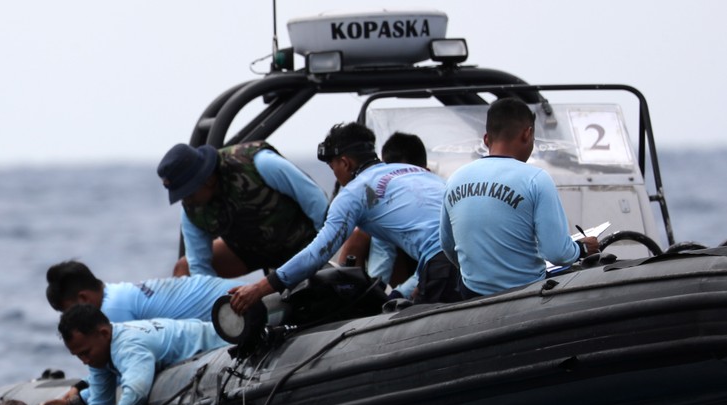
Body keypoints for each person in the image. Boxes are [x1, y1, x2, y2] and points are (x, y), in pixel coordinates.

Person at [229, 122, 458, 314]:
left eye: (332, 167)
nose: (335, 174)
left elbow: (316, 254)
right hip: (479, 251)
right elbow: (432, 236)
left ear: (345, 162)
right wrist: (400, 293)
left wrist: (259, 289)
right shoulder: (414, 172)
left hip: (444, 262)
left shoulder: (355, 192)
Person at [439, 97, 600, 298]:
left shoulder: (454, 179)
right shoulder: (536, 179)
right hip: (525, 298)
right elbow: (557, 253)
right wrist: (583, 248)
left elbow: (447, 244)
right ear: (528, 133)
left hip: (472, 297)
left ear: (486, 139)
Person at [57, 303, 228, 405]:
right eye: (78, 355)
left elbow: (136, 392)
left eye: (86, 353)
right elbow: (99, 403)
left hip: (221, 346)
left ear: (104, 333)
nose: (84, 361)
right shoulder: (101, 353)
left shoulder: (129, 345)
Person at [157, 141, 329, 278]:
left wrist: (324, 252)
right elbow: (199, 269)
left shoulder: (260, 163)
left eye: (189, 193)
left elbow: (317, 203)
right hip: (253, 252)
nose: (187, 201)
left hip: (303, 242)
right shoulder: (192, 210)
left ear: (208, 180)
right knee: (184, 269)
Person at [339, 131, 426, 298]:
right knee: (360, 235)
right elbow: (382, 254)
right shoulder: (386, 204)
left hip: (440, 267)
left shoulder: (438, 202)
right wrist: (375, 294)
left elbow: (438, 255)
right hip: (405, 277)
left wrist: (399, 294)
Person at [45, 260, 234, 323]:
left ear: (83, 298)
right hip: (231, 291)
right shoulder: (119, 292)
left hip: (231, 308)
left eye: (68, 312)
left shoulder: (112, 313)